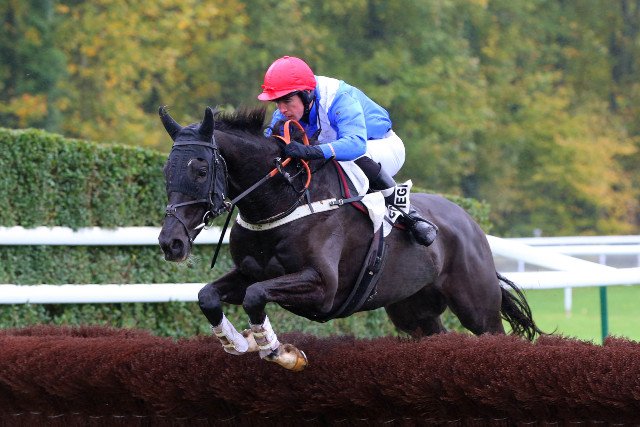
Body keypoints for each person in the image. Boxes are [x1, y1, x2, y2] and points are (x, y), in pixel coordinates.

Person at [257, 55, 437, 247]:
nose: (282, 109)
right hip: (343, 158)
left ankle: (409, 214)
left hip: (382, 148)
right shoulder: (284, 113)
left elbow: (355, 145)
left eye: (287, 101)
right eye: (277, 102)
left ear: (306, 93)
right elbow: (268, 147)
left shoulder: (338, 97)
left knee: (350, 158)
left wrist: (310, 151)